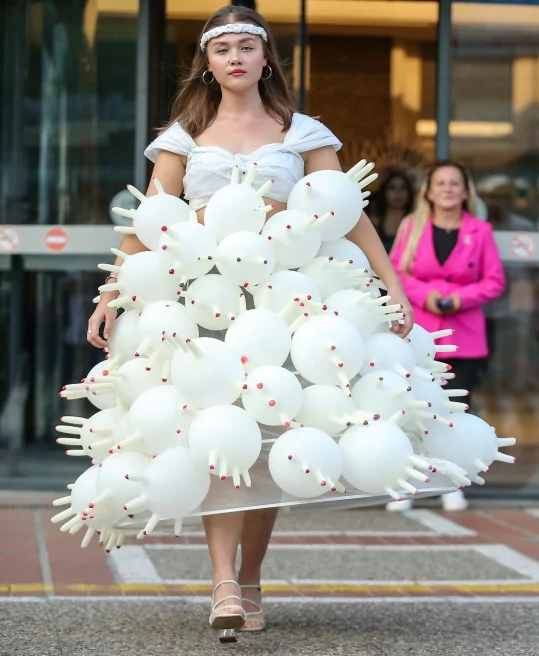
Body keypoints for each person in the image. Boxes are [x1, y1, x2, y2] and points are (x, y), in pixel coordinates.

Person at [84, 5, 415, 634]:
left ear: (266, 59)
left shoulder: (303, 134)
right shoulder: (183, 135)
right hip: (207, 300)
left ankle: (253, 577)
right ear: (206, 64)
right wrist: (110, 293)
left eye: (246, 47)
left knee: (268, 448)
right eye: (222, 49)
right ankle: (224, 584)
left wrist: (392, 287)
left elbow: (352, 216)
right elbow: (149, 222)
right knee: (217, 436)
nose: (235, 58)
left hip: (289, 304)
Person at [387, 160, 506, 512]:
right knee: (414, 409)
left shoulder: (480, 231)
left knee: (454, 412)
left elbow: (495, 280)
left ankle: (451, 481)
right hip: (421, 333)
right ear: (428, 191)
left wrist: (459, 297)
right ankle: (408, 482)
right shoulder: (412, 226)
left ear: (466, 190)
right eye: (440, 183)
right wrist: (425, 296)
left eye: (455, 183)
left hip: (465, 334)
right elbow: (395, 272)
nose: (448, 189)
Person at [368, 167, 415, 252]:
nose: (398, 193)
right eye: (392, 188)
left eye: (403, 188)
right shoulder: (373, 224)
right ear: (384, 192)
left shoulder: (417, 223)